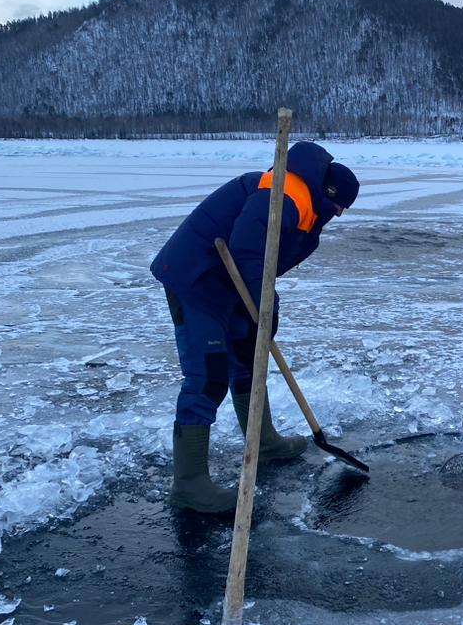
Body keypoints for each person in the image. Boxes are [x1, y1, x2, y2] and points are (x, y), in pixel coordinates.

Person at [151, 141, 360, 513]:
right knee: (208, 374)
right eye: (341, 207)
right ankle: (189, 484)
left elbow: (266, 261)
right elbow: (247, 250)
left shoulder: (302, 202)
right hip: (196, 281)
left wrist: (267, 306)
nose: (339, 215)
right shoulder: (284, 195)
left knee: (248, 357)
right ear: (331, 196)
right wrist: (263, 306)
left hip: (227, 285)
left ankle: (262, 441)